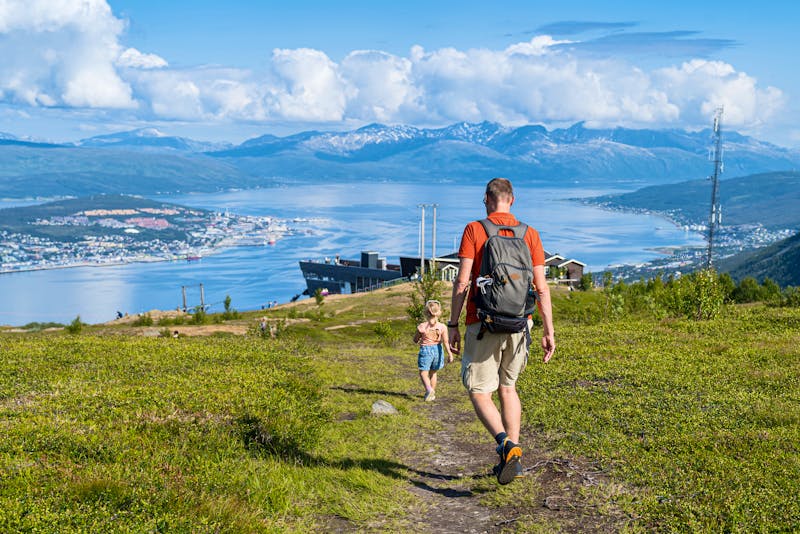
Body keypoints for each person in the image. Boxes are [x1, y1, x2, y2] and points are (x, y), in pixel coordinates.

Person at [448, 177, 555, 485]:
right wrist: (548, 330)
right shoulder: (530, 234)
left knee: (479, 391)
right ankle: (513, 457)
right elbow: (542, 288)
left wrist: (453, 324)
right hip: (520, 324)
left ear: (486, 199)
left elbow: (462, 282)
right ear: (513, 199)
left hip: (483, 322)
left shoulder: (474, 229)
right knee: (508, 388)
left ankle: (506, 445)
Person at [413, 299, 454, 401]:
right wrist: (450, 354)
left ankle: (428, 389)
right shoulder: (442, 327)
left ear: (426, 312)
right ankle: (432, 394)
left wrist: (418, 338)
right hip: (438, 350)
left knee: (423, 372)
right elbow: (445, 341)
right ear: (438, 312)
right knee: (433, 373)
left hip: (426, 351)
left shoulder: (422, 326)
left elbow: (415, 340)